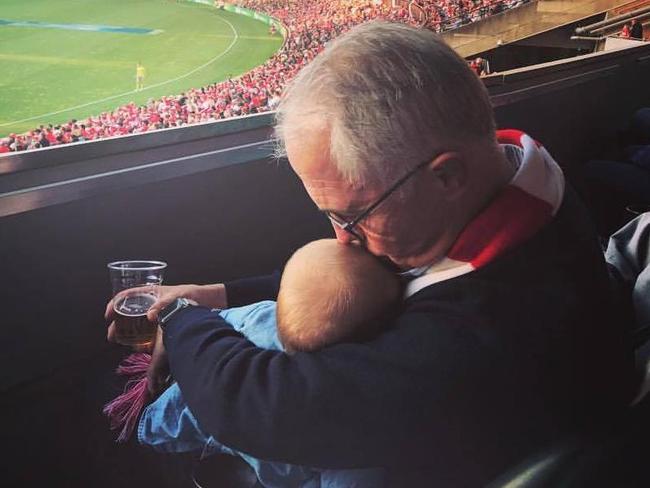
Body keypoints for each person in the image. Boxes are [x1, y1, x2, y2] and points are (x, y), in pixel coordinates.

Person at [106, 21, 635, 485]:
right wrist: (220, 295)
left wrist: (178, 316)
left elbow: (263, 409)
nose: (341, 240)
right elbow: (369, 280)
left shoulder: (487, 330)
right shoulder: (524, 187)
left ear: (447, 175)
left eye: (351, 217)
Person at [138, 239, 399, 487]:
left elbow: (196, 346)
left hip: (206, 428)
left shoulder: (256, 316)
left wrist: (177, 318)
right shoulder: (353, 430)